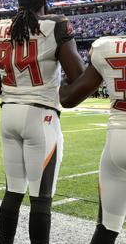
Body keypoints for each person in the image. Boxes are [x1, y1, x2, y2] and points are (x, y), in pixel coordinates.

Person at [0, 0, 84, 244]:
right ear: (44, 1)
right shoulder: (54, 25)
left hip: (8, 113)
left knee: (13, 191)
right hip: (40, 116)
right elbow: (77, 73)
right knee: (41, 199)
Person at [59, 36, 126, 244]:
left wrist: (60, 83)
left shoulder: (105, 47)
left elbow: (68, 99)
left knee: (107, 226)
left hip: (117, 141)